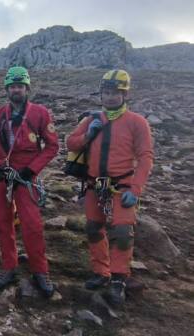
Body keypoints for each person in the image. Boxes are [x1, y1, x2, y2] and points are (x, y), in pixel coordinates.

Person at [66, 69, 153, 305]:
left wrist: (135, 191)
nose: (111, 97)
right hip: (95, 186)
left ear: (124, 94)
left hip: (122, 186)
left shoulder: (137, 122)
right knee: (94, 228)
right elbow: (70, 143)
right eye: (106, 92)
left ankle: (118, 278)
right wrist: (88, 135)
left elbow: (145, 157)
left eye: (116, 92)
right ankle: (101, 272)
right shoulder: (92, 119)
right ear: (101, 94)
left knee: (123, 233)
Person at [0, 66, 59, 297]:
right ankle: (9, 267)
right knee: (3, 223)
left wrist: (31, 170)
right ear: (7, 89)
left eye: (20, 86)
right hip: (1, 176)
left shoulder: (40, 113)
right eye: (13, 86)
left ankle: (40, 271)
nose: (16, 90)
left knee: (32, 225)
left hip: (25, 178)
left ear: (27, 89)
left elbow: (52, 146)